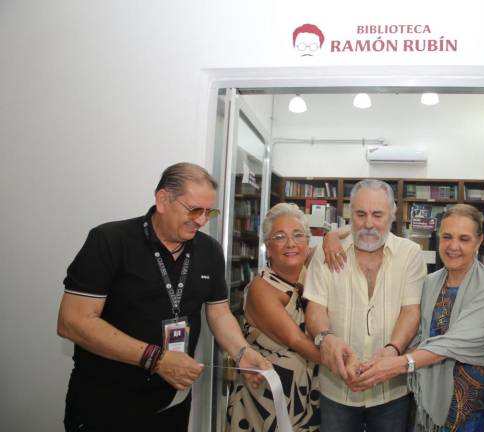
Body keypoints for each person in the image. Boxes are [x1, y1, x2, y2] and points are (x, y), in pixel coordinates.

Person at [57, 162, 270, 431]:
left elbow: (219, 312)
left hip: (172, 402)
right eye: (194, 210)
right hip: (106, 402)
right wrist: (155, 359)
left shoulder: (210, 251)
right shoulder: (110, 241)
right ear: (162, 200)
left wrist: (242, 352)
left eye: (209, 212)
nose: (202, 221)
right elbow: (72, 321)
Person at [345, 204, 484, 432]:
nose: (453, 246)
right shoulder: (430, 282)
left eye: (464, 239)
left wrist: (399, 364)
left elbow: (452, 344)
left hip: (476, 406)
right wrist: (386, 355)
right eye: (447, 237)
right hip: (430, 402)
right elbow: (418, 333)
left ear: (479, 241)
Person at [303, 179, 427, 432]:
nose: (368, 223)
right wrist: (326, 339)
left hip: (392, 391)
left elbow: (411, 310)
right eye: (360, 214)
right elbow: (315, 308)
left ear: (392, 214)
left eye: (377, 214)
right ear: (350, 214)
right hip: (337, 389)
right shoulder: (326, 254)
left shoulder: (410, 254)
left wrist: (393, 350)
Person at [226, 203, 321, 431]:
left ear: (308, 243)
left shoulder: (313, 274)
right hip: (266, 400)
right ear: (268, 248)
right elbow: (296, 340)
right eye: (279, 237)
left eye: (298, 235)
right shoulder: (262, 288)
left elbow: (347, 235)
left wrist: (334, 238)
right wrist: (343, 365)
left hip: (307, 395)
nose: (290, 243)